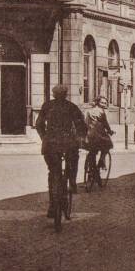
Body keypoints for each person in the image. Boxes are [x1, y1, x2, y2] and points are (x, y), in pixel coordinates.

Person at [35, 84, 87, 217]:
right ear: (65, 94)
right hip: (67, 142)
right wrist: (80, 137)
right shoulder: (71, 107)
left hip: (50, 143)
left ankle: (53, 205)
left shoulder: (47, 106)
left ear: (53, 94)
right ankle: (72, 181)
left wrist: (44, 137)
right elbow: (81, 124)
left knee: (53, 172)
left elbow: (39, 124)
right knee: (73, 159)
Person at [86, 95, 114, 169]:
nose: (104, 104)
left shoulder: (89, 111)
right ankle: (101, 161)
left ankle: (91, 171)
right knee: (108, 145)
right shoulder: (101, 112)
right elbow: (105, 124)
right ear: (98, 102)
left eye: (105, 103)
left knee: (92, 151)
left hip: (90, 135)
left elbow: (86, 122)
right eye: (102, 103)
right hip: (99, 135)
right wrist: (110, 131)